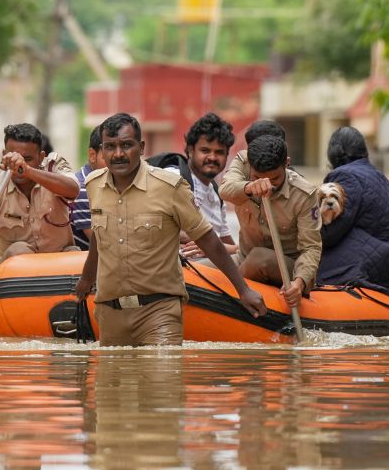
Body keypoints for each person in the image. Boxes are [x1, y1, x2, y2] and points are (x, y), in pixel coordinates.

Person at [75, 113, 265, 347]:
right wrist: (86, 280)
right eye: (110, 147)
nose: (118, 154)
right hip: (110, 314)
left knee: (163, 383)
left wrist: (243, 290)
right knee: (113, 382)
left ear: (141, 147)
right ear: (101, 150)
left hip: (159, 313)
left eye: (126, 145)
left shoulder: (169, 187)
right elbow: (98, 237)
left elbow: (207, 239)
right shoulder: (94, 184)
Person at [0, 123, 80, 279]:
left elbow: (73, 189)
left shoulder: (54, 167)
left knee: (75, 254)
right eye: (14, 158)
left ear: (41, 157)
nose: (19, 165)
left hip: (60, 265)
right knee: (20, 249)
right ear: (4, 155)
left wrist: (28, 171)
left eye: (28, 159)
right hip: (17, 274)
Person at [318, 126, 389, 301]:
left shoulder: (344, 176)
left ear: (333, 155)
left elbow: (331, 234)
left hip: (371, 261)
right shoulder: (378, 175)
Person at [219, 135, 321, 308]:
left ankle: (232, 297)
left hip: (287, 267)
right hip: (243, 258)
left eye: (274, 179)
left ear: (286, 163)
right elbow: (225, 190)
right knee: (195, 268)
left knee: (259, 257)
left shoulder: (305, 195)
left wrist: (299, 282)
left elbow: (311, 248)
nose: (268, 185)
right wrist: (249, 187)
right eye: (257, 177)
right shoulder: (243, 161)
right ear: (249, 166)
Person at [156, 113, 239, 261]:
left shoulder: (216, 194)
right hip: (176, 272)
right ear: (190, 150)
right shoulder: (173, 178)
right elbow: (151, 224)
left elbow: (230, 246)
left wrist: (214, 246)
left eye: (219, 152)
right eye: (205, 150)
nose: (212, 157)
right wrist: (205, 242)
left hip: (210, 274)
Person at [70, 125, 105, 250]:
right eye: (109, 149)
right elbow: (103, 246)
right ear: (92, 155)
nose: (117, 155)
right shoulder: (83, 189)